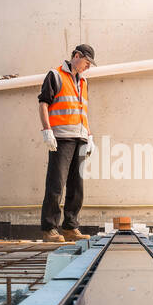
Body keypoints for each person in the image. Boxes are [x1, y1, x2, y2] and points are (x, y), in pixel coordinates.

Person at [37, 44, 96, 242]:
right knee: (56, 184)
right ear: (77, 56)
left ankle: (70, 227)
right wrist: (47, 130)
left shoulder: (84, 82)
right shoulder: (55, 75)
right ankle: (49, 229)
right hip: (61, 138)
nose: (87, 67)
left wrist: (90, 136)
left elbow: (82, 111)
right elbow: (44, 103)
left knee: (76, 186)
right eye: (86, 63)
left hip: (80, 138)